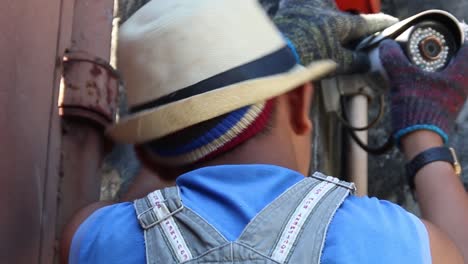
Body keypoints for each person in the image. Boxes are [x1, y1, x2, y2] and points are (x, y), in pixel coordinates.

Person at [62, 0, 468, 263]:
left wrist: (170, 134)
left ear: (150, 151)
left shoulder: (97, 242)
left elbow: (111, 210)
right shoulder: (375, 237)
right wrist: (424, 131)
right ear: (297, 106)